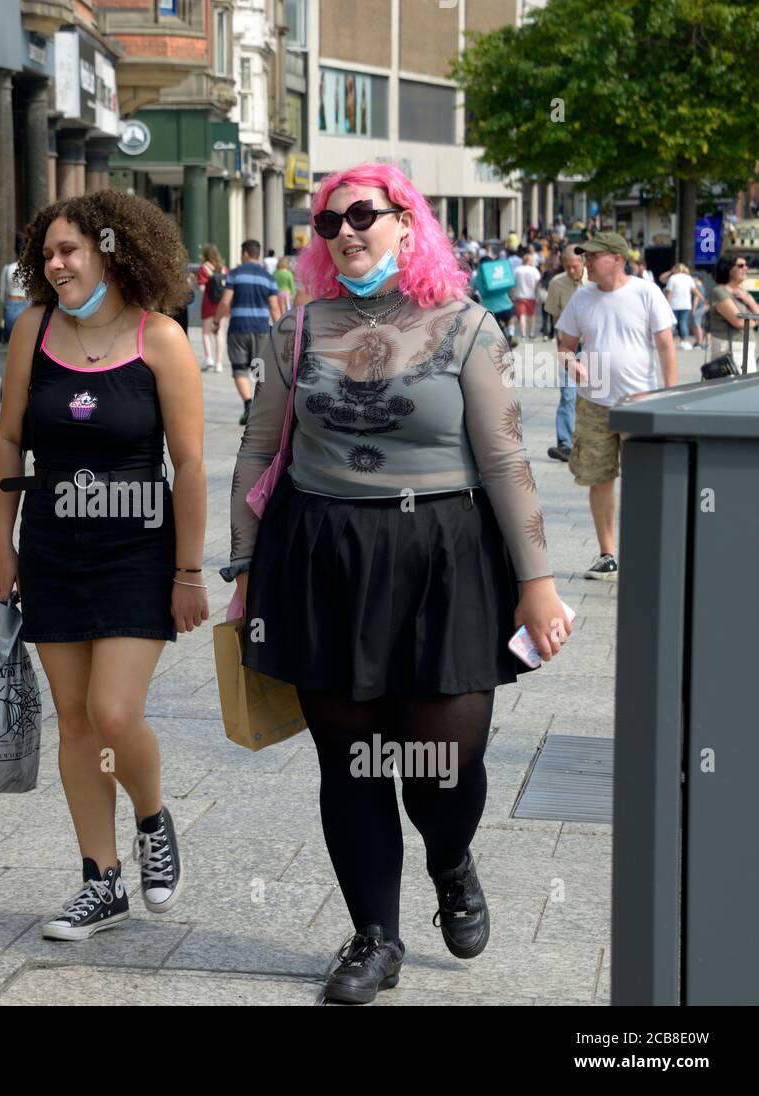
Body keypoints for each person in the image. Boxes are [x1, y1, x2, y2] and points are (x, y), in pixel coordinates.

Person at [223, 162, 570, 1005]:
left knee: (445, 764)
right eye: (327, 221)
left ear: (407, 225)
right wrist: (241, 565)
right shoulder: (297, 329)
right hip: (322, 558)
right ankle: (374, 938)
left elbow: (505, 459)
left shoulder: (466, 326)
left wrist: (538, 583)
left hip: (445, 559)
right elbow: (259, 451)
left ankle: (450, 859)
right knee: (350, 762)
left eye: (363, 214)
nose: (344, 230)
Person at [0, 190, 208, 942]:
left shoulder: (162, 340)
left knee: (116, 713)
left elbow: (190, 464)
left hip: (136, 553)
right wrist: (3, 549)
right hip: (52, 550)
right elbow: (9, 443)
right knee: (77, 720)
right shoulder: (32, 331)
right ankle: (100, 882)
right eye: (46, 253)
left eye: (68, 251)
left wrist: (188, 573)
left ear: (113, 251)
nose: (53, 265)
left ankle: (152, 817)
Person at [555, 231, 678, 582]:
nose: (587, 262)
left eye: (593, 256)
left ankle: (647, 550)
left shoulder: (645, 292)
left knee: (645, 480)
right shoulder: (581, 299)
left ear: (617, 259)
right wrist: (572, 364)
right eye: (586, 256)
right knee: (600, 478)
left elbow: (666, 346)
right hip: (594, 403)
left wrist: (669, 396)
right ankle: (608, 554)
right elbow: (564, 345)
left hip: (640, 403)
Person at [214, 240, 283, 426]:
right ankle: (262, 406)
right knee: (259, 369)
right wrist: (280, 331)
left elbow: (225, 302)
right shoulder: (268, 278)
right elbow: (275, 308)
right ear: (257, 254)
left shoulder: (235, 274)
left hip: (238, 328)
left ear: (245, 254)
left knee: (239, 368)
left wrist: (216, 321)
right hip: (261, 330)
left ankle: (248, 404)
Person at [543, 246, 587, 462]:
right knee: (568, 394)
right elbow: (555, 318)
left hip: (592, 346)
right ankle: (565, 444)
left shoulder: (595, 281)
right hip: (568, 346)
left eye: (575, 267)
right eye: (567, 267)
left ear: (583, 263)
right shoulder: (556, 283)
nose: (571, 271)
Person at [707, 252, 759, 374]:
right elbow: (740, 322)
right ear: (729, 269)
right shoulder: (719, 292)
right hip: (730, 349)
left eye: (746, 265)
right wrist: (756, 319)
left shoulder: (743, 293)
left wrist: (749, 300)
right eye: (741, 266)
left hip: (746, 347)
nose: (745, 268)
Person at [471, 246, 517, 345]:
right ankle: (512, 334)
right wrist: (512, 297)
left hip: (489, 309)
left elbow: (471, 289)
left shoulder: (476, 277)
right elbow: (510, 286)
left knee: (492, 331)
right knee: (512, 316)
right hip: (506, 306)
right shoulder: (498, 273)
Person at [197, 243, 228, 372]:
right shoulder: (224, 268)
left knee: (206, 333)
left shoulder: (203, 268)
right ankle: (219, 364)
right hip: (222, 305)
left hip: (209, 304)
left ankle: (209, 358)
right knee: (219, 333)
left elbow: (202, 288)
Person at [659, 262, 704, 351]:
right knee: (683, 322)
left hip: (674, 304)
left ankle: (669, 341)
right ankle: (684, 341)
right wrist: (702, 298)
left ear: (675, 269)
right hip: (686, 305)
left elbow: (669, 293)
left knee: (671, 323)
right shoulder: (688, 278)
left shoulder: (672, 278)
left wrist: (666, 305)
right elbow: (695, 291)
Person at [0, 234, 28, 344]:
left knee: (13, 342)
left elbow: (2, 294)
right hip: (29, 305)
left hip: (12, 305)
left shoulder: (8, 268)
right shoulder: (33, 270)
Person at [513, 251, 541, 340]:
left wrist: (513, 293)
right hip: (531, 295)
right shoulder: (534, 270)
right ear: (529, 261)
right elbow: (537, 284)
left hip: (519, 295)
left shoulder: (517, 270)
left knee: (522, 315)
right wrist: (537, 294)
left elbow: (513, 283)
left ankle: (523, 334)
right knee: (532, 315)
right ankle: (532, 333)